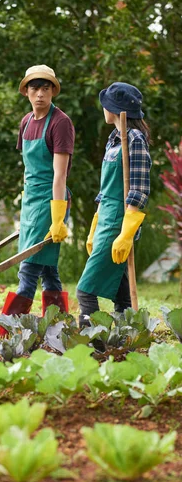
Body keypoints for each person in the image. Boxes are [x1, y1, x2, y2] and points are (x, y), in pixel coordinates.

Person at [0, 65, 75, 335]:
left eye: (46, 88)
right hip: (31, 200)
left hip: (51, 199)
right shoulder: (26, 122)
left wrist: (57, 218)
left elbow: (59, 175)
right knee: (49, 268)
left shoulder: (60, 122)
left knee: (28, 266)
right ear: (26, 92)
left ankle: (7, 330)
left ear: (53, 90)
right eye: (34, 88)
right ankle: (58, 328)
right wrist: (25, 204)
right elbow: (28, 168)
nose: (40, 93)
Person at [76, 82, 151, 326]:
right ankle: (125, 331)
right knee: (121, 289)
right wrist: (95, 224)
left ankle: (90, 338)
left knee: (86, 289)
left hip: (120, 219)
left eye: (105, 105)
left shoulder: (135, 140)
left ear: (117, 109)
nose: (102, 109)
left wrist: (127, 232)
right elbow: (105, 190)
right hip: (106, 216)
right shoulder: (113, 140)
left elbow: (139, 189)